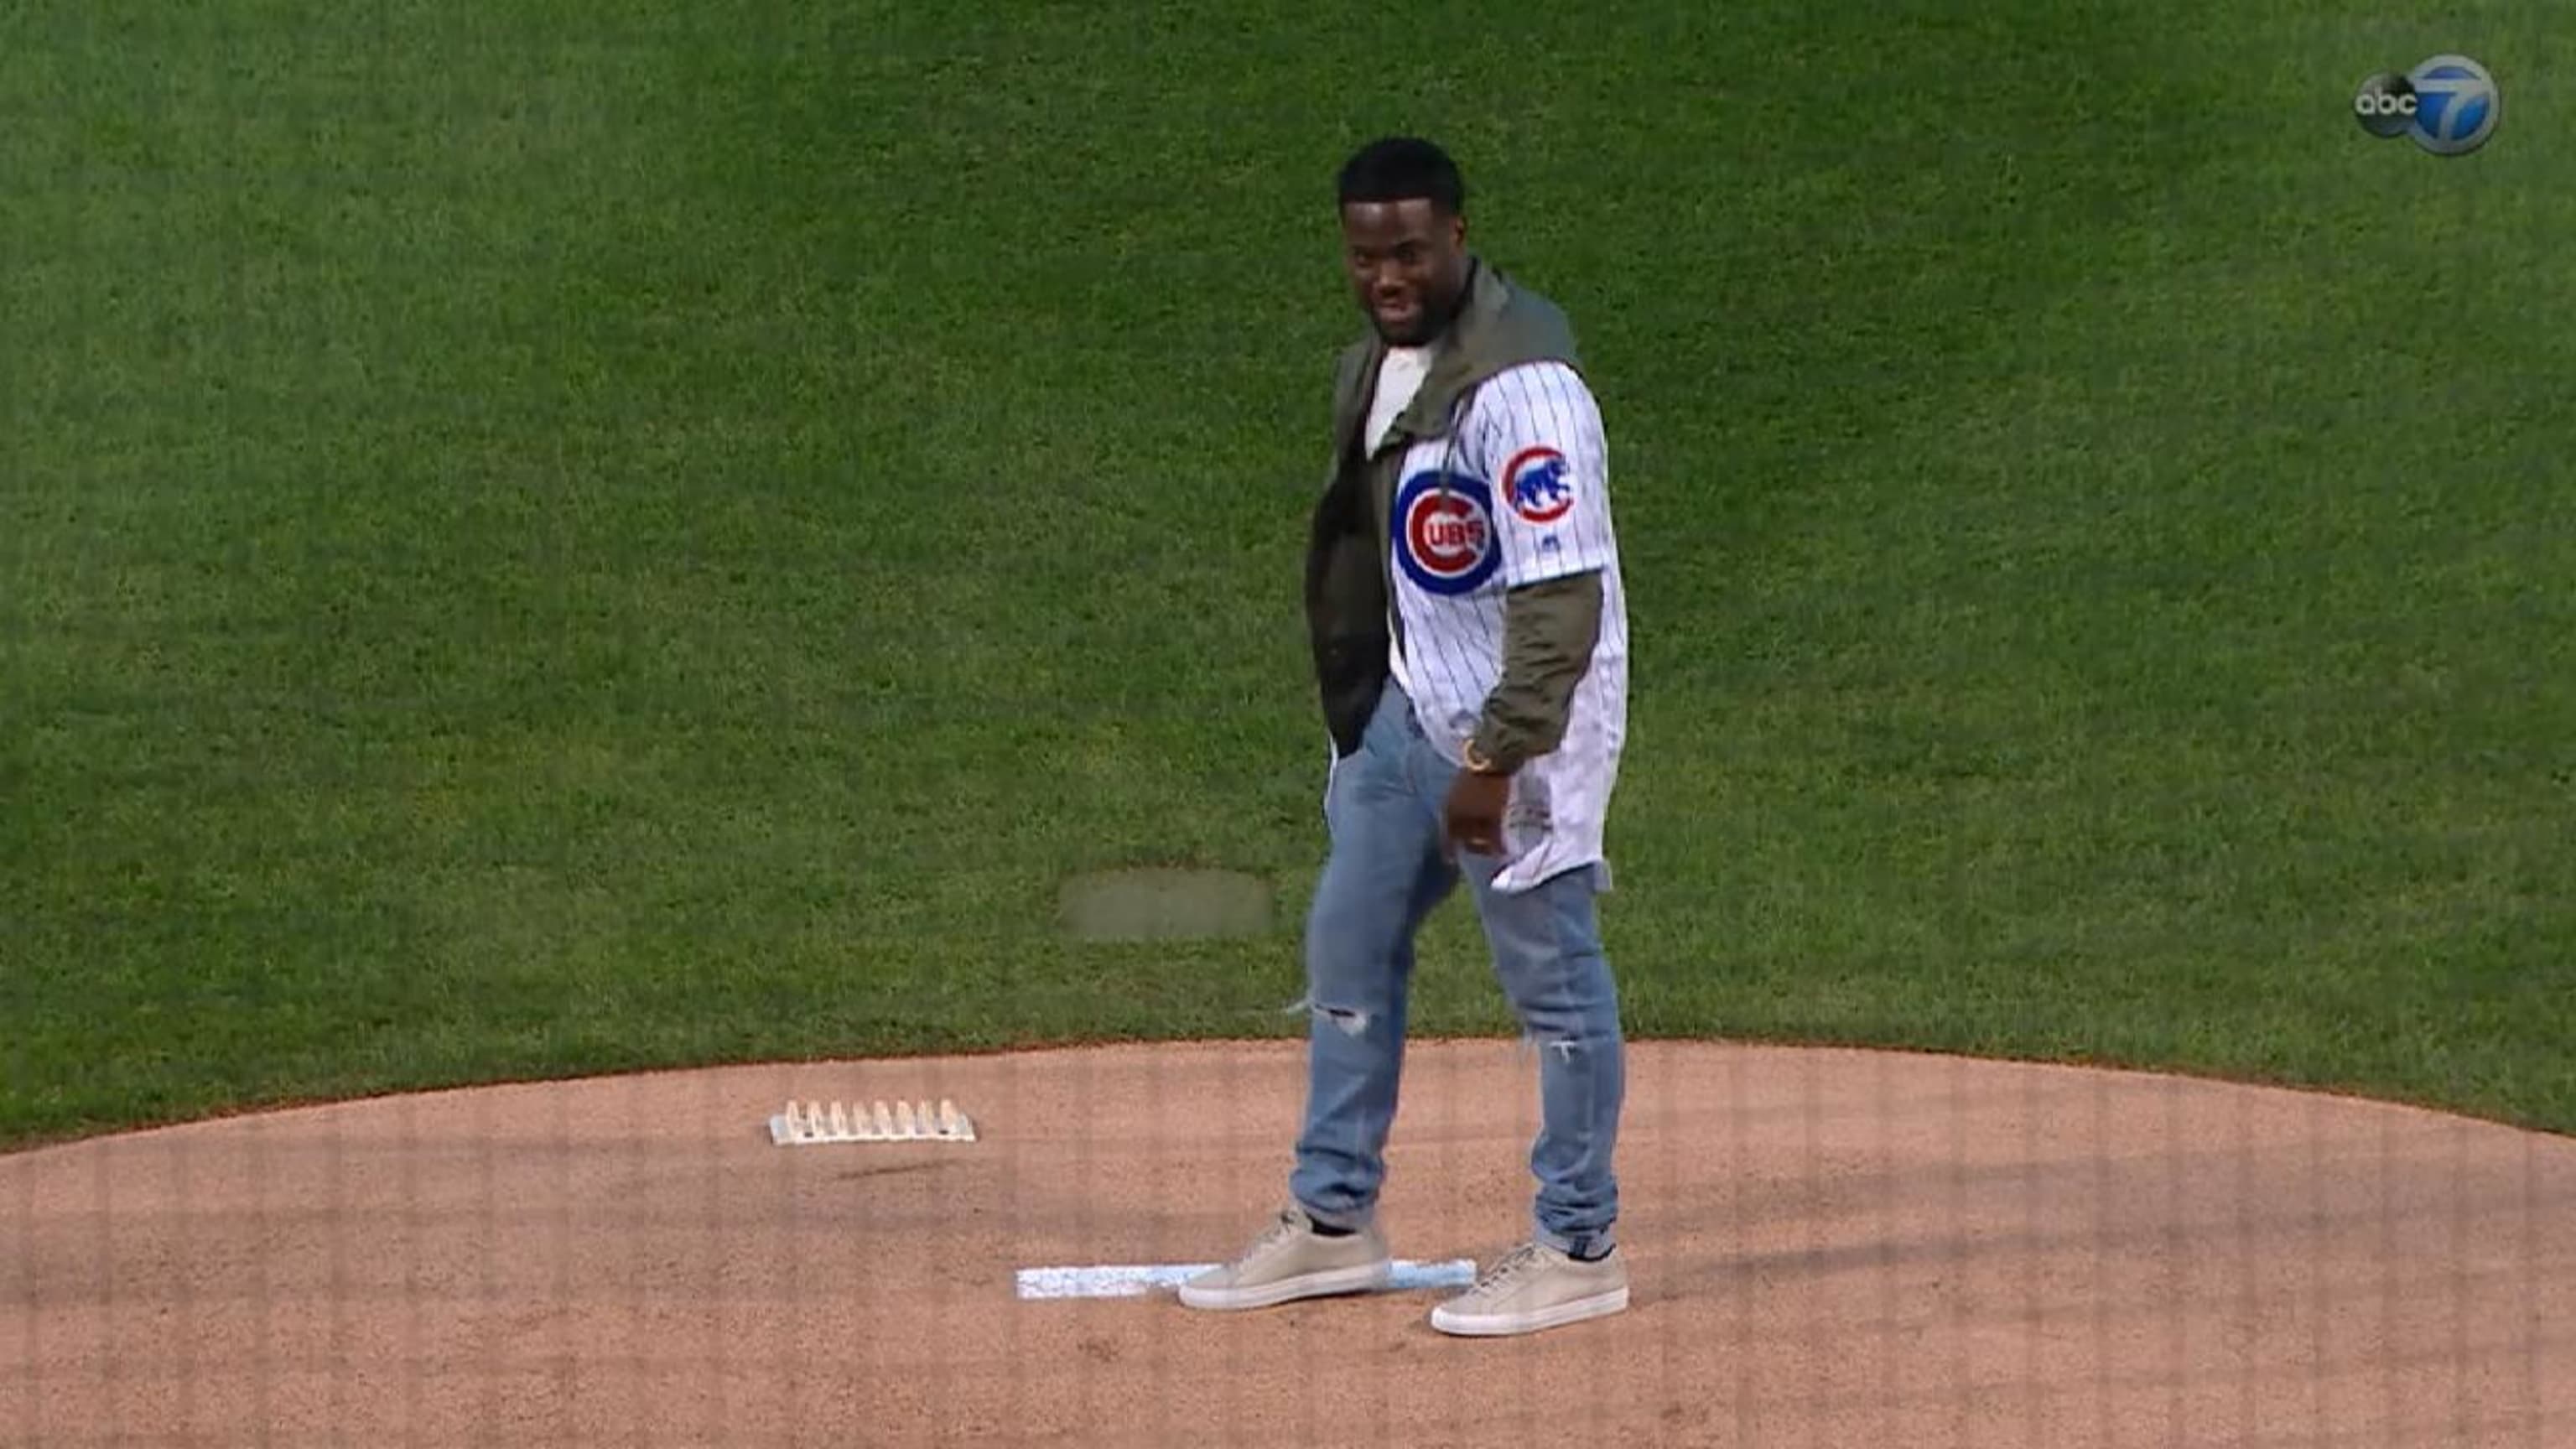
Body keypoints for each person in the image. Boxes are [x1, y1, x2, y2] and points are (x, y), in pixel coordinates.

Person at [1179, 136, 1633, 1337]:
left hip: (1517, 738)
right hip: (1405, 716)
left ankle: (1578, 1244)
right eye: (1365, 252)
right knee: (1347, 944)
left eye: (1410, 251)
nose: (1386, 273)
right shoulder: (1384, 366)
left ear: (1458, 241)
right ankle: (1335, 1222)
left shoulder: (1524, 391)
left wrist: (1494, 762)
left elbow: (1560, 604)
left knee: (1554, 985)